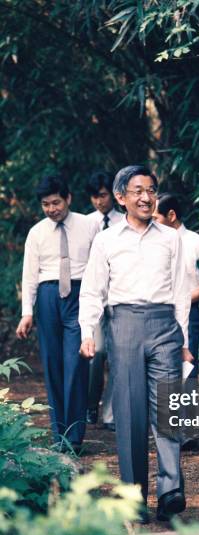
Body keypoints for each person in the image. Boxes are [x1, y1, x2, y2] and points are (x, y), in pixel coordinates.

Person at [79, 165, 193, 523]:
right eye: (138, 190)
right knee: (129, 414)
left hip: (164, 326)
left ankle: (171, 490)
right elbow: (93, 290)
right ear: (121, 197)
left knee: (167, 409)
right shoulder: (107, 240)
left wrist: (184, 339)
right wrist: (87, 332)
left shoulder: (171, 238)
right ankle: (134, 497)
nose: (146, 197)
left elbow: (181, 293)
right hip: (124, 324)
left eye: (152, 190)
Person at [16, 174, 97, 453]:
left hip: (79, 294)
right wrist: (27, 312)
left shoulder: (89, 225)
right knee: (52, 365)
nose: (52, 209)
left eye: (56, 202)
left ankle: (74, 437)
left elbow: (99, 266)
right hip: (48, 296)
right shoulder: (37, 232)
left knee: (75, 364)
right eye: (46, 204)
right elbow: (29, 275)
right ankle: (58, 435)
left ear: (68, 198)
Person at [154, 193, 199, 378]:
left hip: (189, 313)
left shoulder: (197, 243)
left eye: (155, 218)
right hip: (156, 312)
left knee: (187, 368)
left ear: (171, 215)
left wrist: (180, 301)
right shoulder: (150, 242)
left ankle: (186, 407)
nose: (151, 223)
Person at [85, 170, 123, 431]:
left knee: (119, 357)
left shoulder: (125, 221)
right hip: (97, 298)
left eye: (103, 195)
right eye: (94, 197)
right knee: (97, 353)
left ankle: (110, 412)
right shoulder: (85, 223)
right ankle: (90, 405)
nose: (99, 201)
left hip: (121, 297)